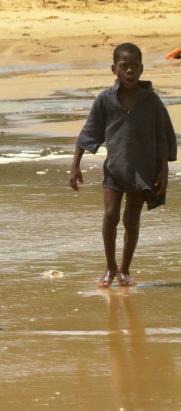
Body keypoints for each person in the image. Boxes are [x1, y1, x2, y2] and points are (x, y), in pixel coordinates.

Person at [70, 43, 177, 287]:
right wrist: (75, 165)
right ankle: (110, 267)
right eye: (123, 66)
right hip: (115, 169)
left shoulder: (151, 101)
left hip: (142, 171)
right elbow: (89, 132)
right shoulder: (105, 100)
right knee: (110, 215)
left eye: (134, 66)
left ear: (141, 69)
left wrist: (163, 170)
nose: (129, 71)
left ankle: (125, 270)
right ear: (114, 69)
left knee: (131, 219)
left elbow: (163, 137)